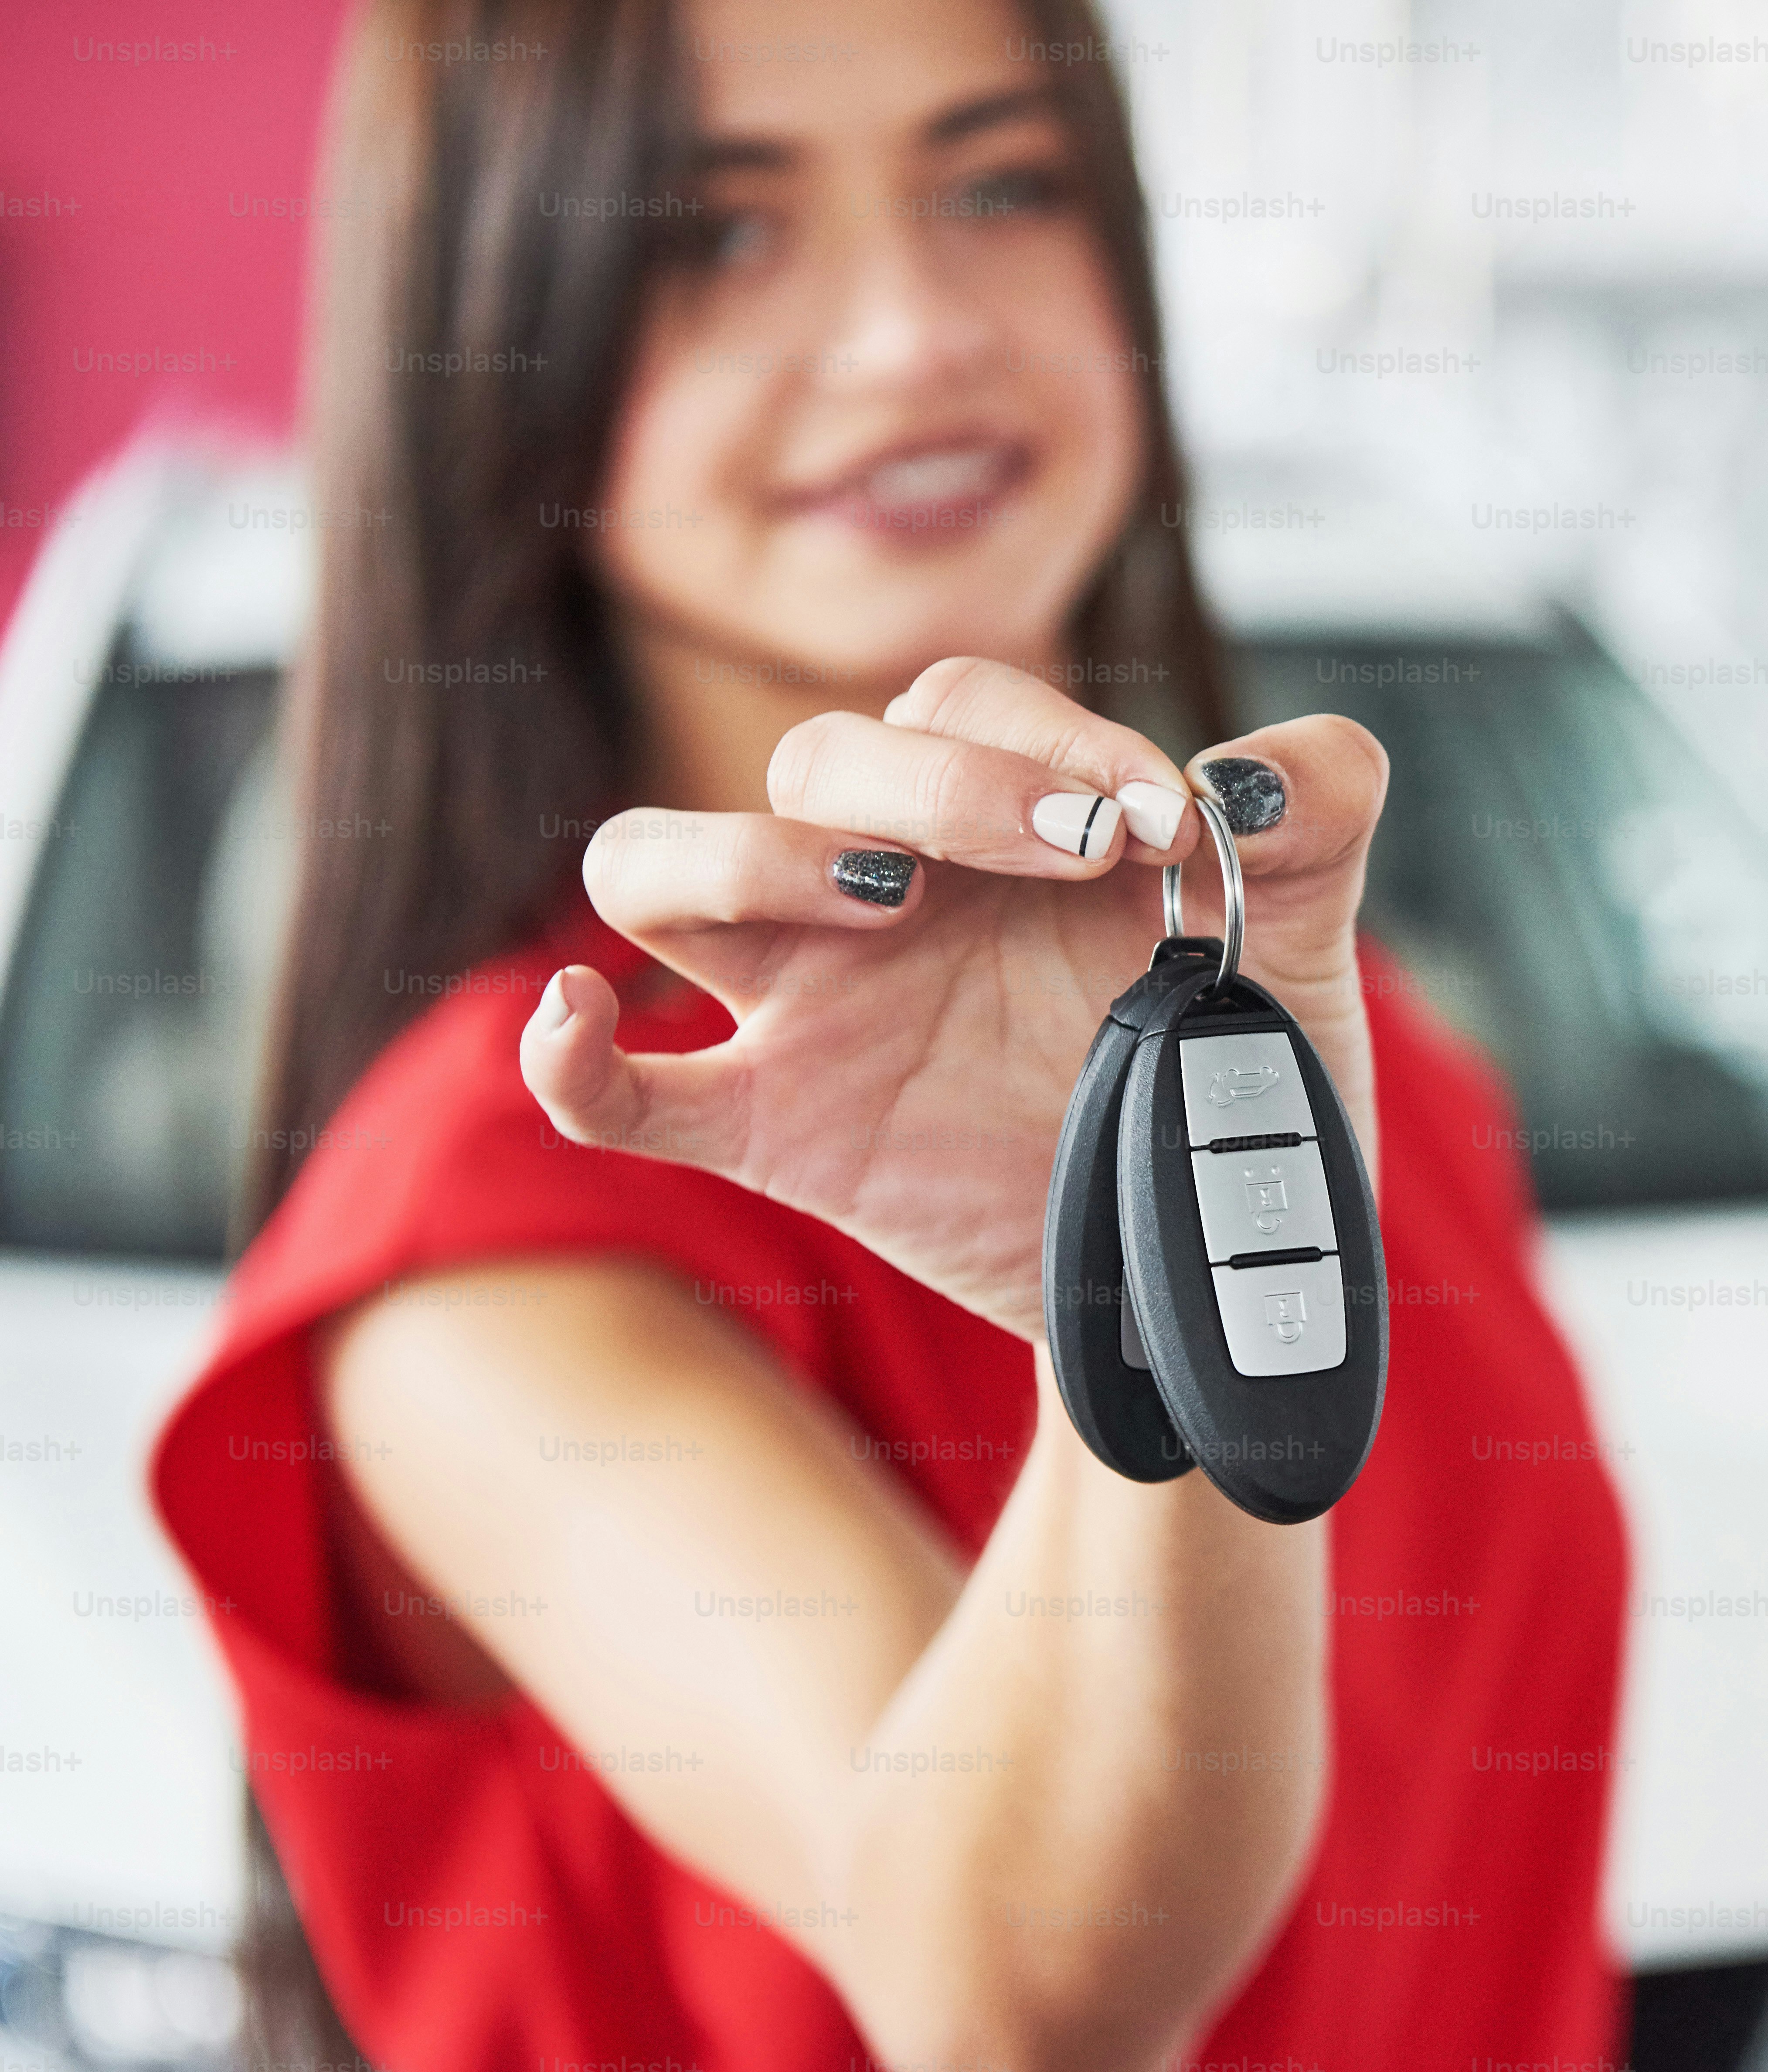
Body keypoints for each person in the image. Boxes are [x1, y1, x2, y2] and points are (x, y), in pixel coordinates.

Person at [145, 0, 1629, 2066]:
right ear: (503, 354)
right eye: (717, 236)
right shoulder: (491, 1224)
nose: (915, 330)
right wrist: (1119, 1293)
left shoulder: (1367, 1059)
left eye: (998, 181)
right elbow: (1022, 1991)